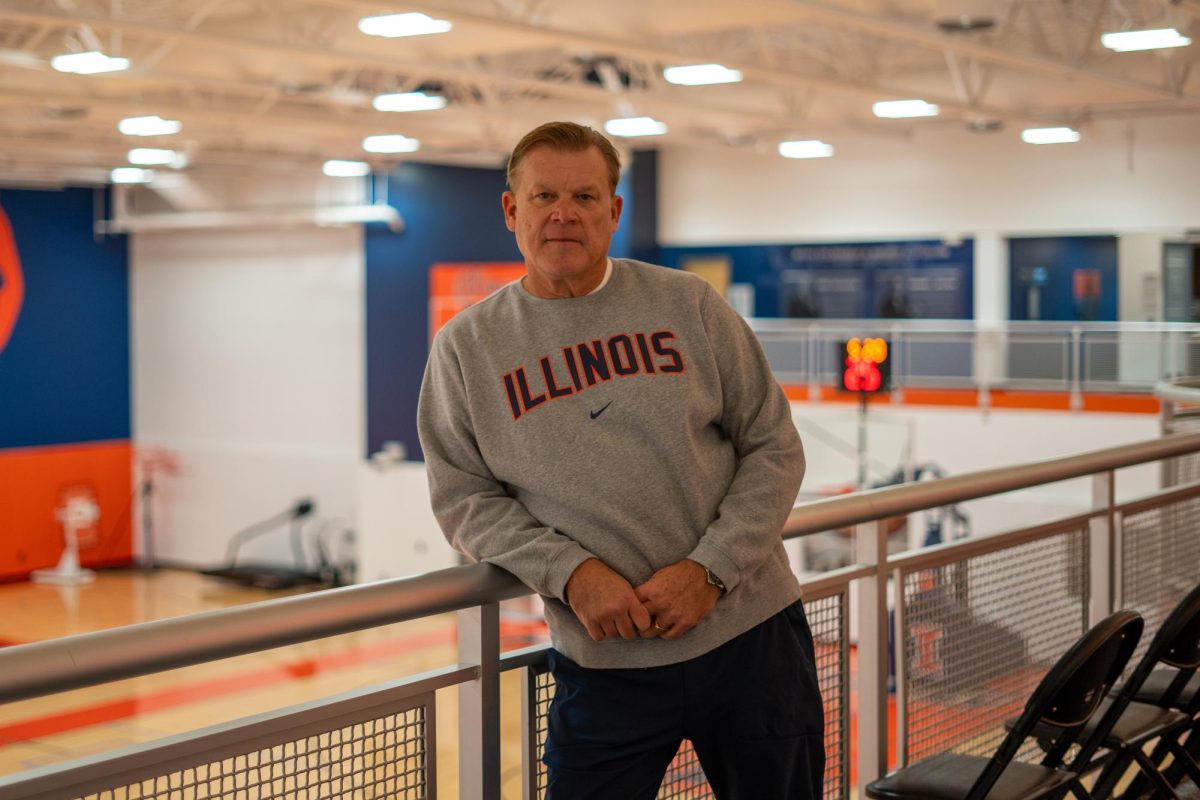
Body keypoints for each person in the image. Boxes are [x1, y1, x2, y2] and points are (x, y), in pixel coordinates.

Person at [417, 121, 823, 799]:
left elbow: (773, 446)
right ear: (513, 210)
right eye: (544, 196)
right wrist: (570, 575)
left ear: (615, 210)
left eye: (584, 195)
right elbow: (464, 500)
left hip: (750, 640)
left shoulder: (687, 304)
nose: (564, 213)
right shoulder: (467, 349)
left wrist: (711, 571)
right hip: (604, 664)